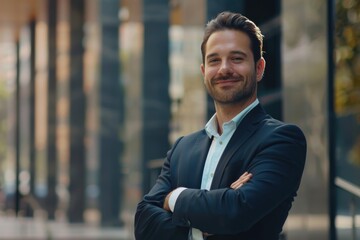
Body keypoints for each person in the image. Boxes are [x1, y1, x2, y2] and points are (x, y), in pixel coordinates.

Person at [134, 11, 306, 240]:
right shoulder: (182, 149)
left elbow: (235, 212)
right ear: (204, 72)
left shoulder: (282, 139)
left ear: (259, 68)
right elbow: (144, 223)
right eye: (214, 60)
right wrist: (204, 224)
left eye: (237, 58)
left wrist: (174, 197)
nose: (224, 69)